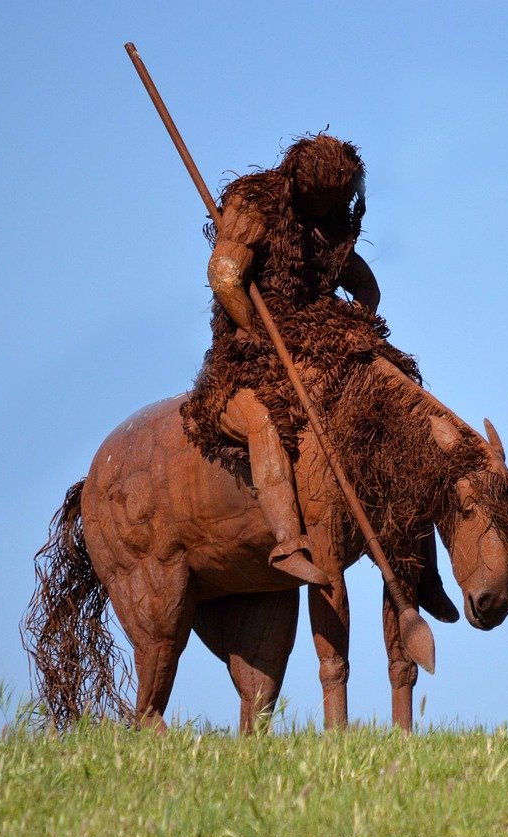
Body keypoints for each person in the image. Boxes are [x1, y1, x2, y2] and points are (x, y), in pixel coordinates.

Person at [181, 134, 456, 619]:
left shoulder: (328, 226)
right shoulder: (256, 205)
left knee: (401, 415)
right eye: (327, 198)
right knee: (266, 419)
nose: (333, 207)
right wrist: (259, 334)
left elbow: (366, 285)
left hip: (322, 337)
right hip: (254, 349)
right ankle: (288, 541)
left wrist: (357, 324)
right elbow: (224, 276)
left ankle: (424, 570)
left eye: (340, 199)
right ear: (306, 185)